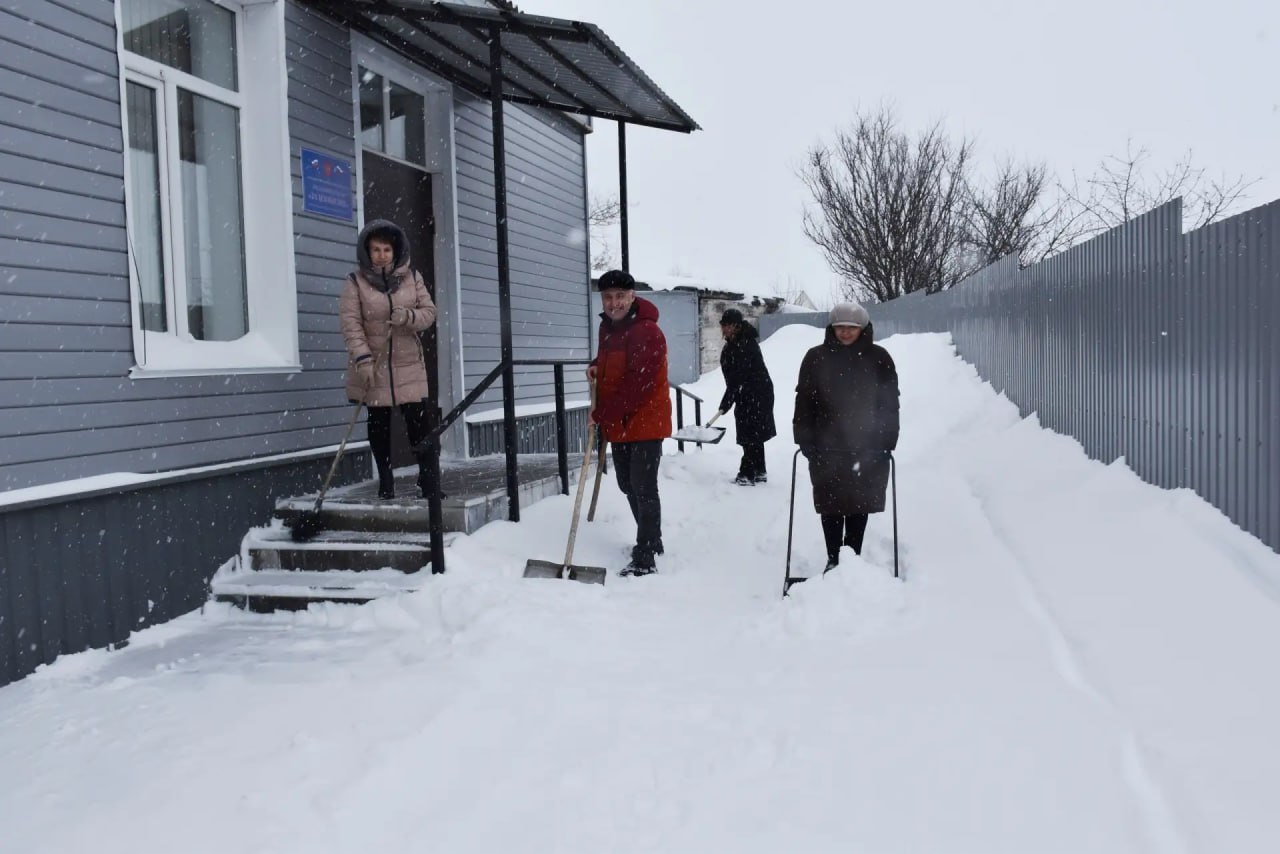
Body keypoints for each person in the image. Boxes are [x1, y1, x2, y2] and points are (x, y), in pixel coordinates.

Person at [793, 302, 899, 571]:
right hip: (825, 445)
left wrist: (887, 440)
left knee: (859, 502)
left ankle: (852, 558)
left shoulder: (879, 358)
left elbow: (888, 403)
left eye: (851, 328)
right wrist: (804, 438)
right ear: (832, 328)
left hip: (867, 444)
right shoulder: (815, 358)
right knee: (830, 502)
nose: (845, 332)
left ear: (862, 328)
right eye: (840, 327)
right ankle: (833, 558)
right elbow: (804, 401)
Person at [339, 219, 438, 500]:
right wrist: (363, 359)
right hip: (375, 366)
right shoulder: (355, 283)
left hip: (408, 366)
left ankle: (428, 480)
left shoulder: (412, 277)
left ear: (395, 251)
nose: (381, 255)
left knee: (419, 426)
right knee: (379, 426)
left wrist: (409, 317)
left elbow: (429, 312)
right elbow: (351, 325)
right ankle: (386, 481)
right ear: (366, 252)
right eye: (375, 249)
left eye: (386, 249)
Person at [587, 269, 672, 576]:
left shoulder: (647, 331)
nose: (614, 303)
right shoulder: (607, 329)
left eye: (620, 296)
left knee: (643, 486)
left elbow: (640, 383)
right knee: (627, 484)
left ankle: (647, 552)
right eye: (608, 297)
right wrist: (597, 367)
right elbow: (613, 362)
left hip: (646, 419)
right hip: (620, 421)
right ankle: (651, 537)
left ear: (632, 296)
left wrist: (603, 413)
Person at [715, 308, 776, 485]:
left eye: (728, 325)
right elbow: (734, 380)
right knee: (753, 433)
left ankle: (746, 473)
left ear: (737, 326)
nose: (724, 329)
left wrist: (726, 403)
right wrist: (730, 398)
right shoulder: (733, 344)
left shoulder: (745, 345)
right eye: (723, 325)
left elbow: (738, 377)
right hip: (746, 393)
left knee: (750, 434)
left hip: (757, 394)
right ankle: (759, 470)